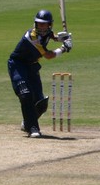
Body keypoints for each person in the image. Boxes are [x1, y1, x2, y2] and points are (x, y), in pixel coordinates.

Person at [7, 10, 73, 138]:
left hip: (31, 65)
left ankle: (27, 122)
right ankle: (32, 128)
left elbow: (51, 36)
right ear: (35, 24)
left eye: (44, 24)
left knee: (41, 103)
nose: (41, 27)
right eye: (39, 24)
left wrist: (62, 37)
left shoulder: (47, 33)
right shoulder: (32, 36)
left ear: (49, 25)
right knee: (25, 94)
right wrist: (64, 48)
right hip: (18, 65)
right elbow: (48, 55)